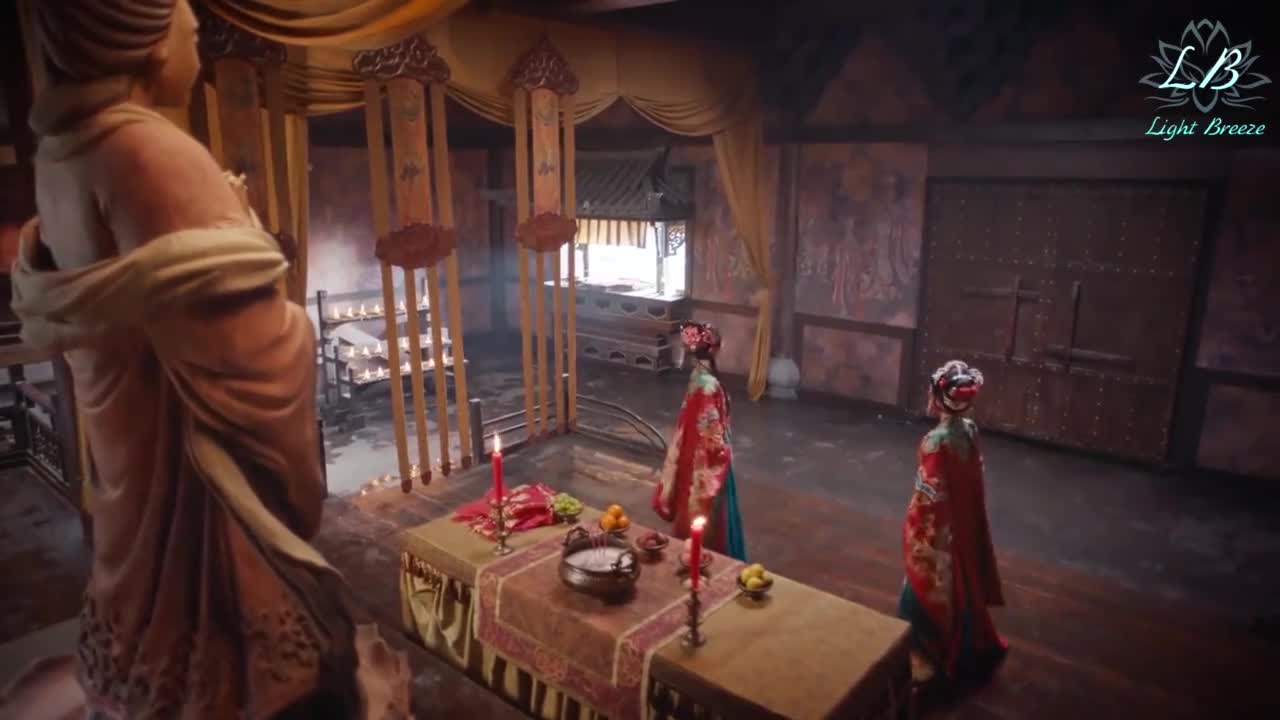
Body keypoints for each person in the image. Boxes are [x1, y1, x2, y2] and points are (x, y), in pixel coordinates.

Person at [0, 1, 407, 718]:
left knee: (139, 572)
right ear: (150, 40)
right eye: (188, 27)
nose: (196, 38)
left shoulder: (63, 155)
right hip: (192, 462)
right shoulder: (151, 152)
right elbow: (246, 352)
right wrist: (281, 303)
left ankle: (135, 668)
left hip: (128, 445)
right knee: (217, 625)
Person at [899, 360, 1008, 690]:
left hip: (941, 528)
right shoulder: (970, 431)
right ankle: (972, 645)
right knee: (966, 580)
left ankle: (927, 651)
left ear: (937, 397)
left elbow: (929, 496)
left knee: (927, 585)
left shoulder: (934, 442)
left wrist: (916, 527)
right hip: (965, 519)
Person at [652, 321, 747, 561]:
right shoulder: (709, 385)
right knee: (709, 508)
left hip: (690, 450)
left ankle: (690, 551)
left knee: (688, 497)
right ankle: (709, 556)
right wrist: (721, 453)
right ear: (714, 349)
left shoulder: (698, 376)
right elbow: (710, 433)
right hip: (705, 457)